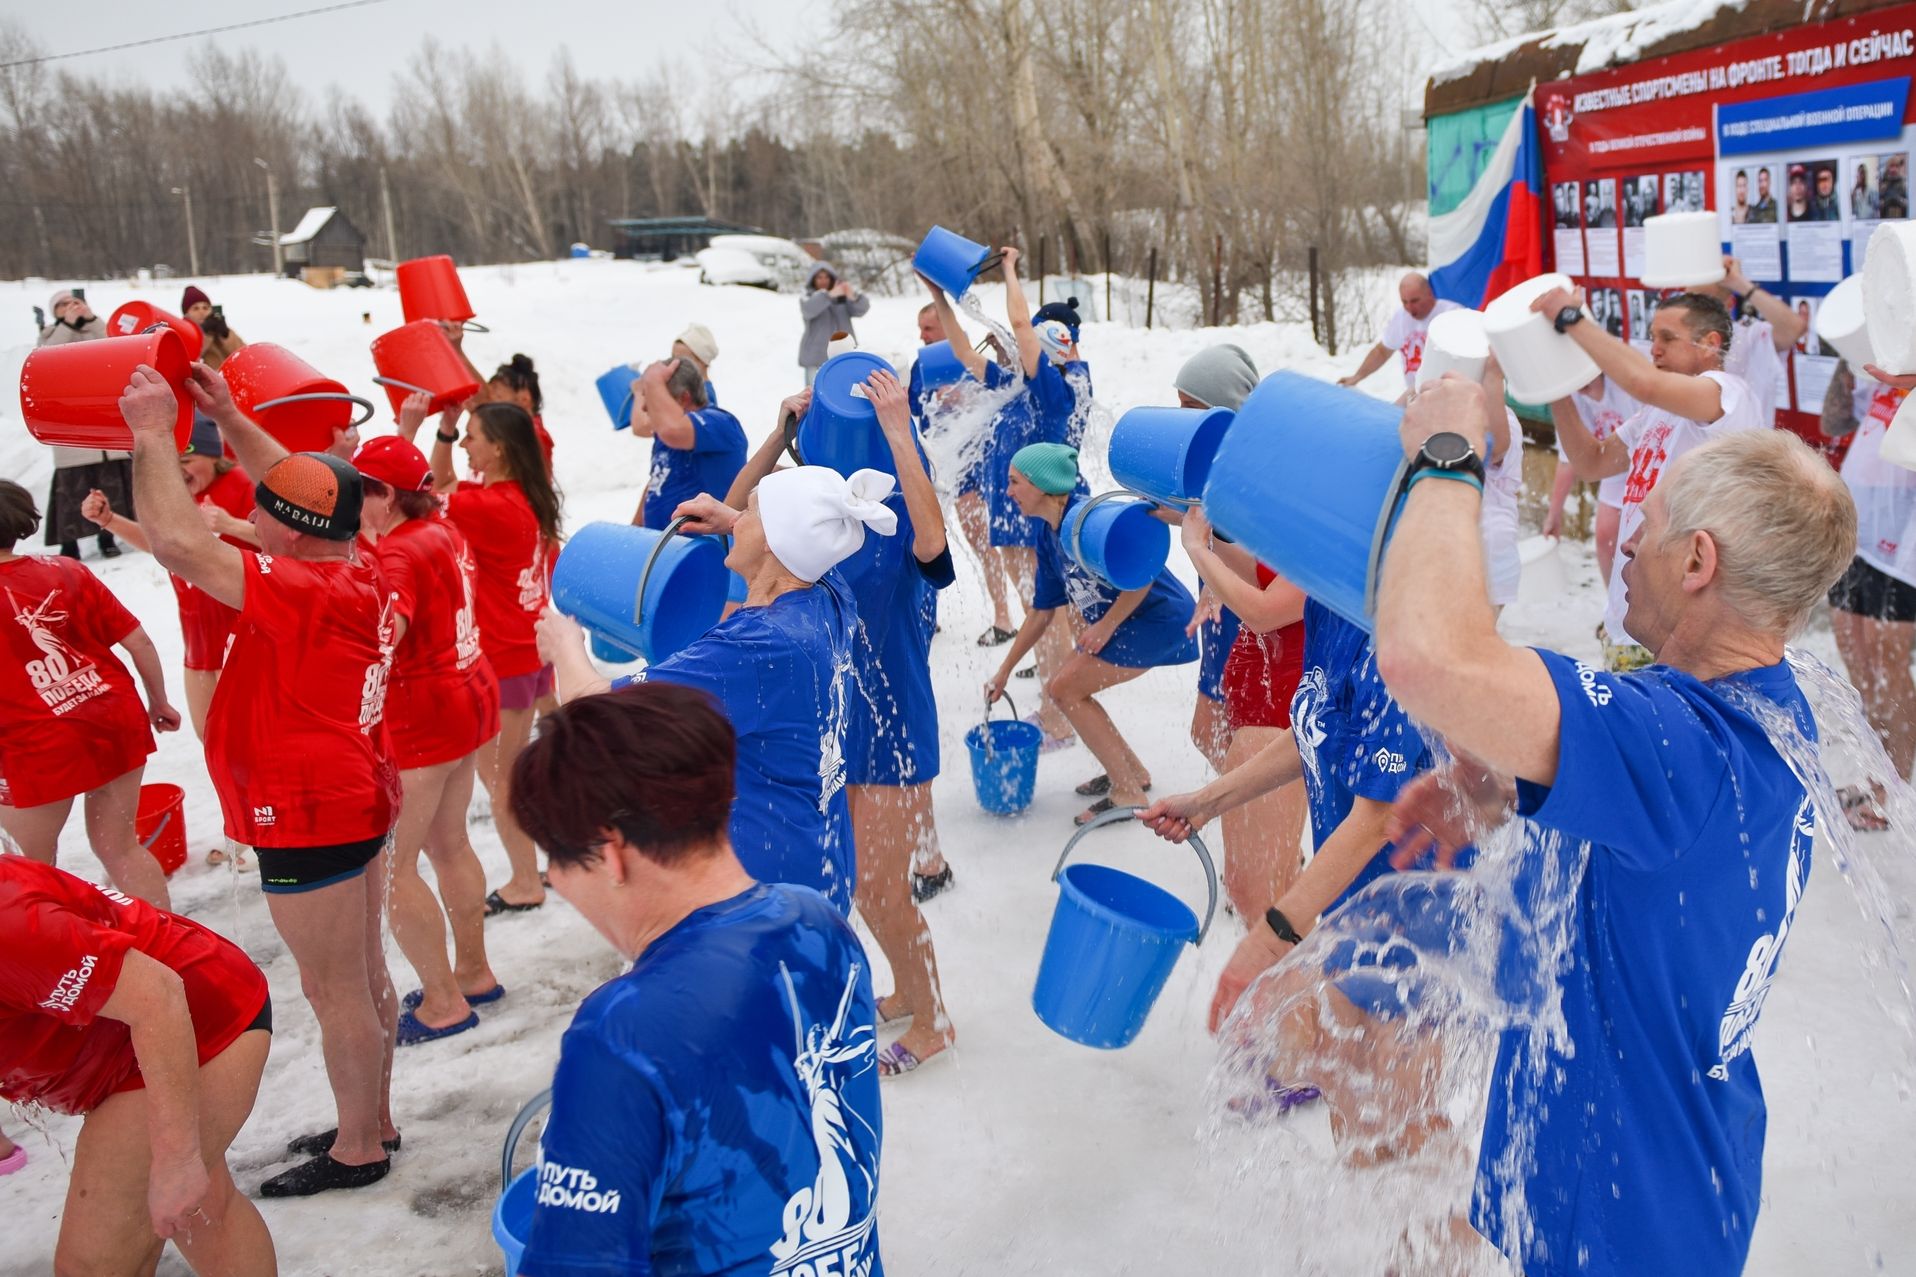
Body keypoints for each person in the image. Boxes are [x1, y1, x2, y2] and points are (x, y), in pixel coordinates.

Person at [1373, 380, 1856, 1277]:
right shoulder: (1764, 710)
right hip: (1671, 1172)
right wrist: (1508, 789)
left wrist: (1444, 452)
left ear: (1698, 560)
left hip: (1627, 1216)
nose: (1627, 533)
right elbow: (1665, 848)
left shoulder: (1676, 742)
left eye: (1651, 516)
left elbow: (1423, 655)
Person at [119, 362, 402, 1197]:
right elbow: (305, 490)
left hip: (311, 809)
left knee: (335, 987)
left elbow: (176, 542)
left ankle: (359, 1147)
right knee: (363, 973)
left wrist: (147, 432)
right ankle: (372, 1117)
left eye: (259, 516)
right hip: (353, 791)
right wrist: (232, 416)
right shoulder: (359, 561)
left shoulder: (303, 592)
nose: (246, 517)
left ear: (292, 534)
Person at [506, 684, 883, 1276]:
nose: (554, 879)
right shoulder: (819, 924)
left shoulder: (622, 1037)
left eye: (552, 857)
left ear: (609, 853)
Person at [542, 461, 896, 915]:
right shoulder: (826, 591)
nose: (737, 518)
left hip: (764, 887)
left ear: (772, 540)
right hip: (822, 857)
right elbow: (793, 539)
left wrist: (564, 645)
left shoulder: (756, 646)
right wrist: (731, 519)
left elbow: (590, 708)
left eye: (748, 512)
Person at [0, 854, 277, 1276]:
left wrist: (178, 1158)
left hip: (197, 1019)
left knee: (91, 1266)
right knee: (204, 1215)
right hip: (128, 1033)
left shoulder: (9, 928)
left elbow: (158, 997)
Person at [352, 430, 504, 1044]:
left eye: (357, 493)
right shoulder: (439, 529)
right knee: (449, 843)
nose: (349, 507)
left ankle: (442, 1002)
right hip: (467, 694)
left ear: (384, 497)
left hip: (422, 715)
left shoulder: (396, 556)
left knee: (393, 866)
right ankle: (472, 972)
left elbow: (384, 638)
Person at [1537, 287, 1762, 670]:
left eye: (1667, 339)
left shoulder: (1729, 396)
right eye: (1652, 337)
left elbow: (1643, 382)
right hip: (1633, 620)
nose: (1654, 350)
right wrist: (1555, 387)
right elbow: (1591, 462)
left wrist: (1573, 320)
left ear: (1710, 344)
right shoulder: (1656, 414)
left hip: (1684, 628)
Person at [403, 398, 564, 915]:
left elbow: (414, 494)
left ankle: (525, 880)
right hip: (530, 646)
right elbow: (444, 484)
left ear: (497, 449)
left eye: (473, 436)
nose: (466, 444)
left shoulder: (487, 507)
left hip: (507, 657)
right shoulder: (521, 497)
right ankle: (553, 858)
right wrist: (447, 433)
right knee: (514, 773)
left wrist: (412, 429)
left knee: (501, 782)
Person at [986, 443, 1199, 825]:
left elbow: (1142, 571)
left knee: (1065, 688)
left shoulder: (1090, 518)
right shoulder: (1049, 534)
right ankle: (1132, 773)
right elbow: (1040, 613)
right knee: (1066, 685)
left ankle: (1126, 792)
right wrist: (1003, 670)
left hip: (1159, 618)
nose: (1009, 492)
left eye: (1015, 482)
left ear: (1041, 484)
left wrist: (1107, 625)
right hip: (1134, 620)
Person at [0, 480, 179, 909]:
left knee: (29, 869)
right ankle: (167, 947)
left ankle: (57, 965)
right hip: (110, 715)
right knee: (120, 849)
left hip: (36, 743)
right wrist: (159, 701)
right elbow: (138, 640)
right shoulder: (65, 569)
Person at [1823, 362, 1916, 826]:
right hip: (1856, 530)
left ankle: (1895, 786)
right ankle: (1876, 773)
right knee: (1858, 659)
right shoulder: (1882, 360)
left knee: (1888, 663)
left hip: (1904, 540)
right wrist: (1849, 352)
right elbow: (1833, 422)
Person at [1170, 344, 1264, 775]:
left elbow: (1264, 567)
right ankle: (1260, 836)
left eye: (1193, 406)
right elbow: (1205, 524)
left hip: (1254, 623)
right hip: (1220, 612)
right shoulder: (1216, 465)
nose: (1184, 417)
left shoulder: (1257, 473)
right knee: (1209, 732)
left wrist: (1211, 568)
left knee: (1244, 744)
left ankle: (1268, 840)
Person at [38, 290, 130, 561]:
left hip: (102, 420)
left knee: (109, 484)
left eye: (74, 303)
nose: (71, 308)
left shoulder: (95, 330)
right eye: (62, 305)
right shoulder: (49, 335)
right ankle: (69, 543)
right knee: (72, 489)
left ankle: (107, 536)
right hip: (71, 424)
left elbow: (115, 346)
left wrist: (91, 319)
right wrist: (67, 324)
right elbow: (49, 355)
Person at [628, 356, 748, 531]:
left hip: (702, 551)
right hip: (661, 550)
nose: (645, 408)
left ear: (683, 399)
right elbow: (657, 481)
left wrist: (653, 378)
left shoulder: (720, 423)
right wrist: (634, 528)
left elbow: (674, 430)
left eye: (653, 399)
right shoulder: (667, 433)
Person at [1541, 374, 1636, 586]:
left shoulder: (1624, 385)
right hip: (1614, 467)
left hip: (1646, 462)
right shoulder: (1570, 397)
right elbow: (1569, 460)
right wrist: (1554, 515)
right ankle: (1615, 604)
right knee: (1605, 539)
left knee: (1641, 540)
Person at [1692, 255, 1805, 425]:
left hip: (1745, 448)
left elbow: (1794, 328)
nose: (1693, 311)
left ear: (1729, 304)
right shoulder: (1675, 341)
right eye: (1689, 300)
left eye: (1705, 303)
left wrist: (1740, 284)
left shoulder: (1749, 337)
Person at [1339, 272, 1461, 396]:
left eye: (1415, 301)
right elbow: (1382, 351)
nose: (1409, 307)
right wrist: (1357, 376)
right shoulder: (1401, 317)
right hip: (1416, 394)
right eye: (1404, 302)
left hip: (1447, 395)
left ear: (1429, 293)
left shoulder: (1452, 314)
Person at [798, 262, 871, 384]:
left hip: (844, 355)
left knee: (843, 393)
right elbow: (808, 309)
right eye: (819, 277)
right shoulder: (807, 296)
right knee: (812, 396)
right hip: (815, 357)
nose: (823, 281)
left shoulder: (841, 296)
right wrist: (829, 295)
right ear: (813, 279)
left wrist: (852, 296)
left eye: (826, 277)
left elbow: (861, 310)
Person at [180, 286, 245, 371]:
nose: (201, 312)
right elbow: (188, 361)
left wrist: (225, 335)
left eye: (205, 307)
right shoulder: (182, 332)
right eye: (195, 308)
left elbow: (244, 354)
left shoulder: (218, 328)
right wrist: (202, 334)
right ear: (186, 314)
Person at [674, 322, 720, 406]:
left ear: (702, 362)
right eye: (673, 358)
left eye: (684, 360)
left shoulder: (705, 396)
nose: (675, 364)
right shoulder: (684, 389)